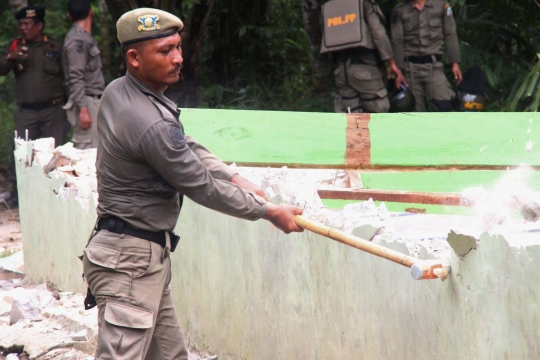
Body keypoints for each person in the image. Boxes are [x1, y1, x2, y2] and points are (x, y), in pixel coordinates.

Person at [81, 8, 304, 360]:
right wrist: (270, 211)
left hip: (139, 257)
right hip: (130, 263)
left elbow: (184, 142)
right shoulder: (148, 121)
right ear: (134, 58)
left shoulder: (120, 92)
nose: (178, 58)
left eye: (178, 47)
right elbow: (200, 185)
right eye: (165, 51)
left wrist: (232, 175)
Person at [0, 6, 66, 207]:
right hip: (26, 112)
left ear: (39, 25)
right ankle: (19, 197)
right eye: (20, 24)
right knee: (23, 154)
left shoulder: (54, 48)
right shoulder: (16, 47)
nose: (23, 28)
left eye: (27, 24)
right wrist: (11, 57)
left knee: (55, 155)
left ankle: (55, 196)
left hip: (52, 111)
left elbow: (69, 77)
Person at [320, 0, 406, 113]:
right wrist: (391, 62)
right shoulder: (363, 2)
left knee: (352, 116)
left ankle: (358, 130)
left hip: (341, 71)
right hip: (365, 69)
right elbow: (378, 34)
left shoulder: (327, 7)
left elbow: (325, 37)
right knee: (379, 111)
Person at [391, 0, 462, 112]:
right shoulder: (400, 10)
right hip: (410, 68)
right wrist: (399, 70)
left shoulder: (441, 6)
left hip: (434, 66)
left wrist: (455, 62)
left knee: (446, 104)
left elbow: (450, 34)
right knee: (414, 110)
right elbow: (397, 40)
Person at [63, 0, 105, 149]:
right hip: (86, 101)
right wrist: (83, 109)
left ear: (69, 16)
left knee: (98, 150)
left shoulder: (85, 37)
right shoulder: (76, 40)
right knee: (87, 153)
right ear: (91, 12)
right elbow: (76, 76)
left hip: (94, 100)